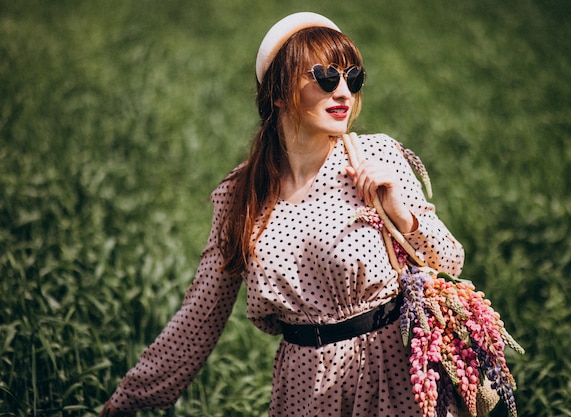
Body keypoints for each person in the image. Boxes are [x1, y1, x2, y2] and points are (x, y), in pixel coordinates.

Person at [99, 11, 465, 417]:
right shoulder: (242, 196)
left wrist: (399, 210)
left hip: (392, 376)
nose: (343, 91)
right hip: (304, 391)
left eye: (353, 77)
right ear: (277, 92)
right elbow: (200, 316)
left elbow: (448, 259)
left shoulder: (376, 156)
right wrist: (127, 401)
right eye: (326, 77)